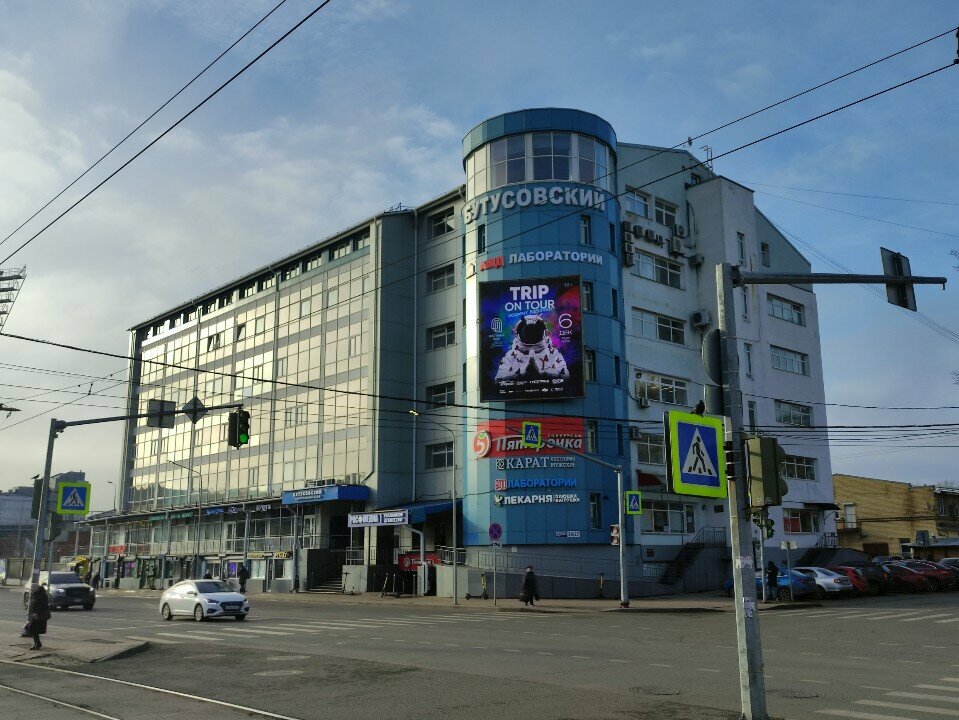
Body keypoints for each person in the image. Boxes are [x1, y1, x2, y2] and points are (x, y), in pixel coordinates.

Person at [26, 582, 51, 650]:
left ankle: (37, 644)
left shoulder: (41, 594)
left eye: (33, 587)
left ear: (37, 588)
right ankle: (37, 644)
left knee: (32, 628)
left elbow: (43, 605)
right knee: (33, 629)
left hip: (40, 615)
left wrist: (37, 613)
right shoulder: (35, 593)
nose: (31, 588)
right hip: (36, 615)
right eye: (31, 587)